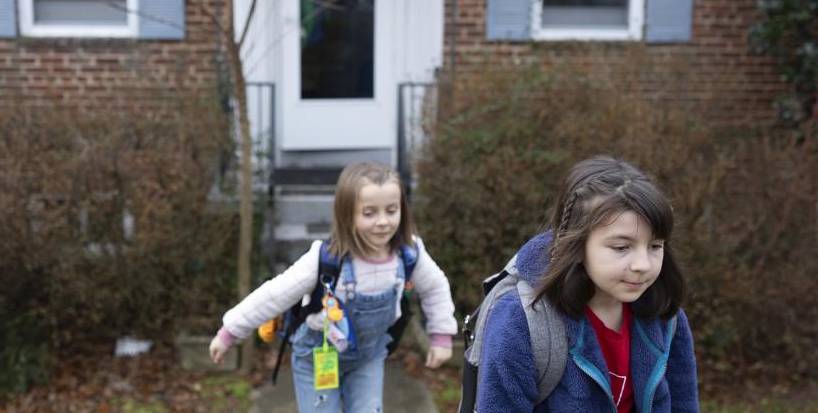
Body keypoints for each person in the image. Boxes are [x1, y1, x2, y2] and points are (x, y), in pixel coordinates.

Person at [209, 161, 457, 412]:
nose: (383, 222)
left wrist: (441, 335)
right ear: (347, 214)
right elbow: (274, 295)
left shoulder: (409, 254)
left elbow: (435, 287)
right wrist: (230, 331)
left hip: (367, 358)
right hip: (318, 355)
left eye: (391, 210)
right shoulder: (325, 259)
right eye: (369, 213)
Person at [477, 155, 699, 412]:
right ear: (575, 244)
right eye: (621, 247)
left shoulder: (666, 317)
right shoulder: (522, 320)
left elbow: (685, 405)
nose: (643, 264)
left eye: (655, 246)